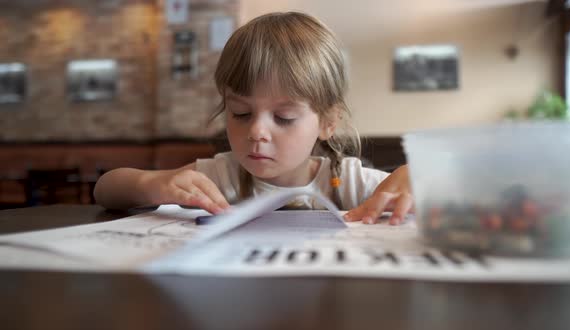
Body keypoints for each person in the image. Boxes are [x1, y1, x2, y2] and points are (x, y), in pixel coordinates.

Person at [94, 12, 413, 225]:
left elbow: (440, 201)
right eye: (241, 113)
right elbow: (106, 189)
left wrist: (419, 180)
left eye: (284, 117)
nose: (257, 131)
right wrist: (152, 184)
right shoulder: (221, 176)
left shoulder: (349, 182)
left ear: (328, 122)